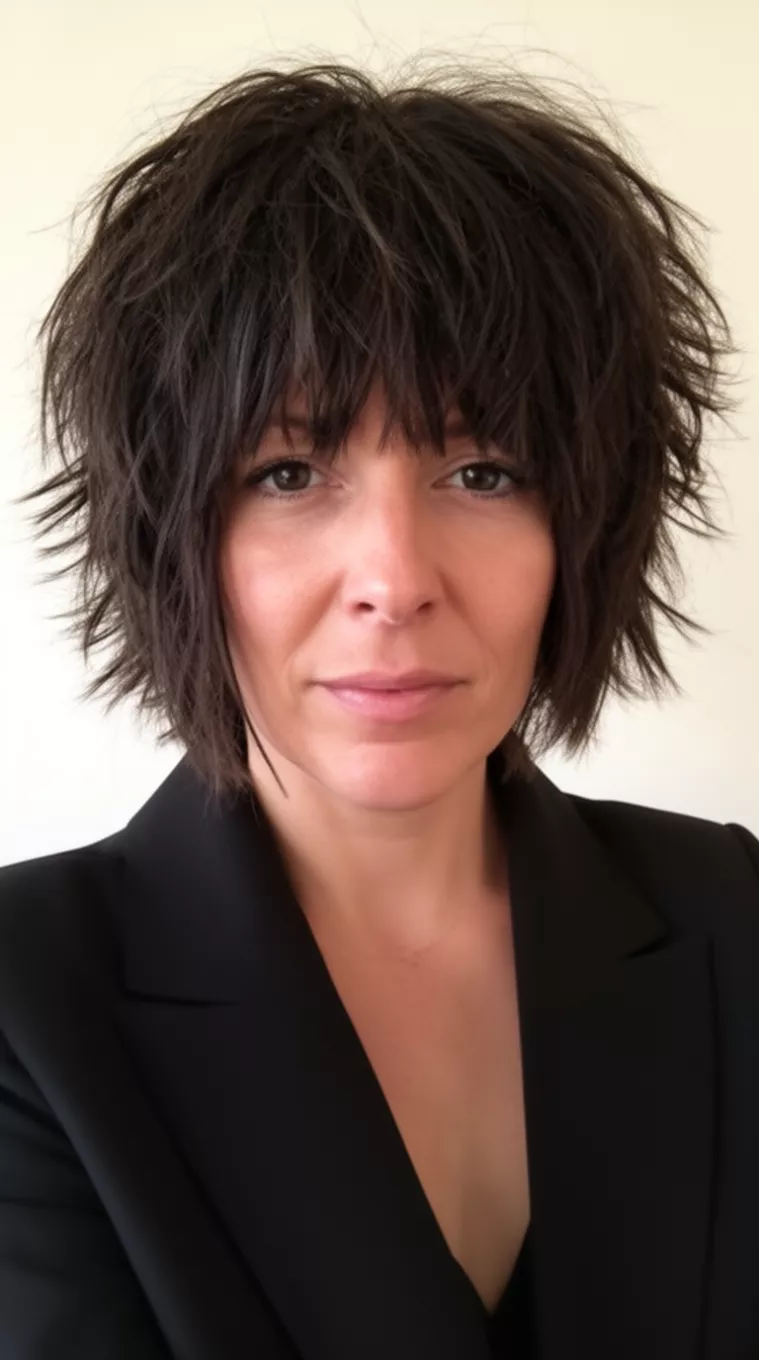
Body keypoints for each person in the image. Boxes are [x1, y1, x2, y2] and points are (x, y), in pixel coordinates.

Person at [0, 54, 757, 1360]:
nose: (396, 580)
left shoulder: (733, 918)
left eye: (483, 470)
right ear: (172, 529)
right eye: (289, 472)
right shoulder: (28, 999)